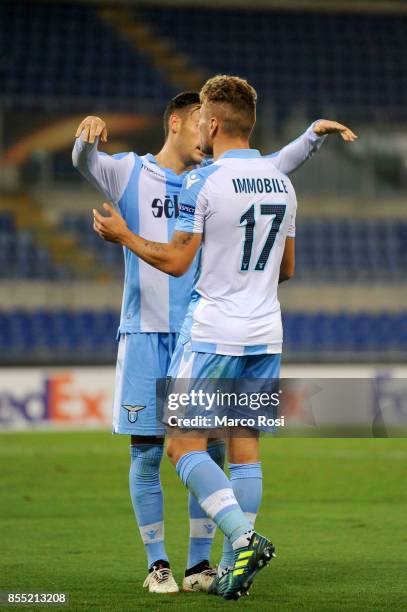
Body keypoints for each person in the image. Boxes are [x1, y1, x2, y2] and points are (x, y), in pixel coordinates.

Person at [74, 92, 356, 595]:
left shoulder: (205, 181)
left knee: (191, 446)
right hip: (189, 330)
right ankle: (166, 563)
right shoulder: (138, 172)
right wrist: (84, 135)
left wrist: (125, 238)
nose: (203, 131)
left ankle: (215, 557)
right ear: (180, 123)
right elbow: (284, 247)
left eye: (210, 121)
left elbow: (181, 261)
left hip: (204, 332)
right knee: (168, 451)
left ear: (212, 123)